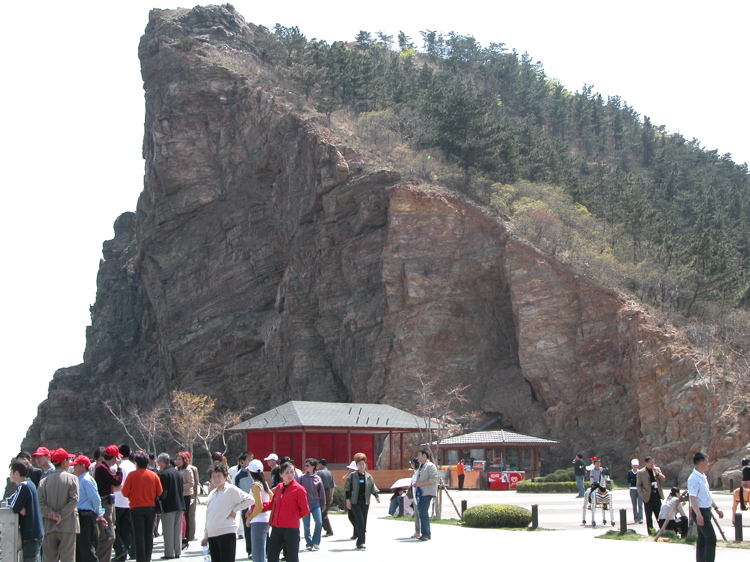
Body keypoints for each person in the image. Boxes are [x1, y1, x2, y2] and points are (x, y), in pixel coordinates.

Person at [201, 461, 254, 562]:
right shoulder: (212, 493)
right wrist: (205, 535)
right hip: (212, 533)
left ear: (225, 476)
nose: (216, 479)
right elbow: (208, 516)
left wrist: (235, 510)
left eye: (219, 476)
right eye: (213, 476)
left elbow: (250, 500)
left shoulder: (231, 489)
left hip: (226, 532)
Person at [38, 448, 80, 562]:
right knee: (68, 558)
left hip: (49, 526)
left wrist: (51, 514)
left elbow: (40, 503)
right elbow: (74, 500)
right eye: (69, 460)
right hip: (68, 525)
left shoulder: (43, 481)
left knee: (48, 558)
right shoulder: (72, 478)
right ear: (64, 462)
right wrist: (61, 515)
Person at [122, 451, 163, 562]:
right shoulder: (153, 475)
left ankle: (140, 559)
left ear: (136, 463)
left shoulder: (132, 475)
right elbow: (159, 491)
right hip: (150, 507)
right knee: (148, 534)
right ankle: (147, 558)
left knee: (138, 534)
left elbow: (125, 492)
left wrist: (132, 495)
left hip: (135, 507)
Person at [267, 460, 309, 562]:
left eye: (292, 472)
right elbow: (272, 504)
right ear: (281, 474)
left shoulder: (299, 489)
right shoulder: (279, 487)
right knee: (271, 555)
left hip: (291, 529)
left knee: (291, 557)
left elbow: (305, 510)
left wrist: (292, 517)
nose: (290, 475)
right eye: (287, 472)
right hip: (277, 527)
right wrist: (254, 508)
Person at [6, 458, 45, 562]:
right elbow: (13, 500)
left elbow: (13, 505)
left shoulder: (23, 486)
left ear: (17, 473)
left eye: (11, 471)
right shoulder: (30, 483)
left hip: (30, 534)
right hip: (36, 533)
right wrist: (20, 507)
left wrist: (19, 507)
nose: (10, 474)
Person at [688, 452, 724, 562]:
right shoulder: (693, 478)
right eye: (707, 461)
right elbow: (692, 498)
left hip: (706, 510)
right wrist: (699, 515)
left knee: (703, 539)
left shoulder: (703, 476)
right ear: (701, 463)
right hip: (700, 512)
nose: (708, 464)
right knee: (711, 538)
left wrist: (716, 508)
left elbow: (706, 496)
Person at [71, 455, 104, 562]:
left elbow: (95, 499)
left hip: (86, 517)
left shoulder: (86, 480)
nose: (74, 468)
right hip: (80, 516)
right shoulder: (79, 479)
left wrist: (97, 514)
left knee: (86, 548)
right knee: (79, 549)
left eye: (76, 465)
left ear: (83, 466)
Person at [94, 444, 123, 562]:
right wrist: (119, 467)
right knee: (108, 536)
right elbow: (117, 481)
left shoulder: (104, 468)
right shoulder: (102, 468)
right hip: (104, 503)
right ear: (114, 458)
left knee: (110, 535)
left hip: (108, 502)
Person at [344, 453, 380, 549]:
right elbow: (347, 489)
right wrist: (348, 500)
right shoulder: (352, 476)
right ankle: (360, 542)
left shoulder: (368, 476)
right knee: (360, 520)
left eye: (363, 464)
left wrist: (377, 496)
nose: (361, 466)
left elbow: (373, 487)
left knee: (364, 521)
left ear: (365, 465)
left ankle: (361, 541)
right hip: (355, 501)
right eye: (359, 464)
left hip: (365, 501)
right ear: (357, 465)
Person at [157, 453, 186, 560]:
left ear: (162, 462)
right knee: (177, 530)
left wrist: (161, 504)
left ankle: (169, 553)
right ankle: (177, 551)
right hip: (179, 504)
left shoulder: (164, 474)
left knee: (168, 531)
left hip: (169, 506)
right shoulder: (177, 473)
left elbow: (164, 492)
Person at [245, 459, 273, 562]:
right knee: (261, 552)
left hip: (258, 521)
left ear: (250, 472)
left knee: (257, 554)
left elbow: (259, 506)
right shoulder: (264, 484)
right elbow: (272, 497)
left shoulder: (256, 485)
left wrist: (249, 518)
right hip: (265, 519)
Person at [113, 444, 136, 562]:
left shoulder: (117, 466)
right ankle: (124, 554)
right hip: (129, 502)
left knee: (113, 528)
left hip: (117, 501)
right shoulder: (133, 466)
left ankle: (120, 549)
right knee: (125, 530)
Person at [299, 458, 325, 550]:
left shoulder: (318, 478)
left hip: (316, 504)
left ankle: (316, 541)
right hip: (305, 504)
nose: (305, 467)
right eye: (305, 465)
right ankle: (309, 543)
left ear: (313, 467)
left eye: (308, 466)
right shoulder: (302, 478)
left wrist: (323, 504)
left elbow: (321, 492)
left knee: (319, 522)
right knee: (306, 525)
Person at [636, 455, 665, 534]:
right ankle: (650, 531)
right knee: (649, 516)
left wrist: (658, 474)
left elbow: (663, 479)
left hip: (656, 495)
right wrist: (642, 494)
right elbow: (638, 485)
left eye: (653, 462)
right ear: (646, 463)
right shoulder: (641, 472)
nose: (652, 464)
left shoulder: (657, 469)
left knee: (659, 514)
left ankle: (662, 530)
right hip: (647, 496)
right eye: (651, 463)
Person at [413, 449, 437, 541]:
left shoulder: (430, 466)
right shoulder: (421, 466)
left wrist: (420, 484)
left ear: (425, 455)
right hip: (421, 493)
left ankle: (426, 534)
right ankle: (426, 533)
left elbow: (433, 479)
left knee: (423, 512)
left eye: (419, 455)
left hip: (427, 492)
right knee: (422, 512)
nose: (418, 457)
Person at [233, 452, 253, 555]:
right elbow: (235, 491)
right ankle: (250, 550)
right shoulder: (238, 476)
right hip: (245, 506)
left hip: (256, 505)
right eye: (249, 460)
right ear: (242, 462)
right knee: (247, 528)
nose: (251, 462)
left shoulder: (255, 473)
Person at [174, 451, 194, 550]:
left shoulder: (188, 470)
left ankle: (185, 539)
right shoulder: (175, 469)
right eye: (177, 459)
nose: (178, 461)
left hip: (185, 496)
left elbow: (191, 483)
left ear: (184, 460)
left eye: (180, 459)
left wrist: (180, 486)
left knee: (185, 517)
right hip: (177, 496)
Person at [315, 458, 334, 537]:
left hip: (322, 493)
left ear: (320, 464)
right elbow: (332, 486)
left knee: (322, 513)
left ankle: (328, 530)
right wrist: (331, 496)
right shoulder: (329, 472)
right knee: (325, 512)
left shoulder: (319, 473)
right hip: (328, 492)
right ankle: (328, 530)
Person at [408, 457, 421, 538]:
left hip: (418, 496)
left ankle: (419, 531)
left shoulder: (419, 472)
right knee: (416, 515)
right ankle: (417, 531)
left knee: (419, 515)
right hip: (415, 496)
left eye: (412, 463)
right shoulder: (415, 472)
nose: (411, 465)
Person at [627, 458, 643, 523]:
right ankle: (635, 518)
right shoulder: (630, 472)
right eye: (634, 465)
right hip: (632, 489)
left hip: (639, 489)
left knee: (640, 504)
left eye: (636, 465)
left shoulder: (640, 472)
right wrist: (634, 480)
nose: (635, 466)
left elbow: (641, 481)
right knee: (634, 505)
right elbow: (629, 480)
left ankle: (640, 518)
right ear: (632, 465)